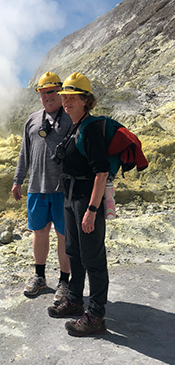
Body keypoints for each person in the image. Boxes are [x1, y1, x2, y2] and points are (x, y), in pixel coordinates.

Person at [47, 72, 110, 337]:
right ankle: (75, 300)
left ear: (86, 100)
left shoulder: (91, 128)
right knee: (74, 252)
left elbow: (102, 172)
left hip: (86, 201)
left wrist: (92, 210)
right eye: (65, 97)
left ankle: (96, 315)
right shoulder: (75, 125)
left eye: (73, 97)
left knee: (93, 257)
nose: (67, 101)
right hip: (70, 198)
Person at [12, 71, 71, 303]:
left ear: (61, 92)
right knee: (39, 232)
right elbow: (24, 153)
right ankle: (39, 276)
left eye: (52, 91)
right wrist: (18, 180)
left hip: (64, 190)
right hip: (36, 188)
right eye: (43, 92)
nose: (47, 96)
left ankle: (65, 282)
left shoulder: (70, 117)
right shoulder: (32, 119)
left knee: (64, 235)